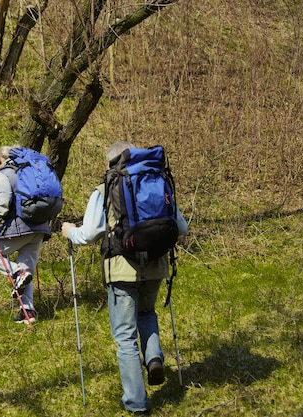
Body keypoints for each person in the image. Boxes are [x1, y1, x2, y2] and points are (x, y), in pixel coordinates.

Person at [61, 141, 188, 414]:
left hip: (121, 269)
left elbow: (90, 233)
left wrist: (69, 231)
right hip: (156, 266)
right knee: (147, 311)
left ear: (110, 163)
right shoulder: (157, 179)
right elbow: (182, 227)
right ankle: (154, 357)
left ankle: (136, 402)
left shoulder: (108, 186)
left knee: (125, 337)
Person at [0, 145, 51, 325]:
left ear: (0, 160)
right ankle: (28, 313)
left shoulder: (4, 174)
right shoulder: (30, 170)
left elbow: (4, 204)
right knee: (27, 267)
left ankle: (18, 273)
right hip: (40, 228)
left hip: (20, 227)